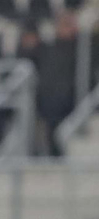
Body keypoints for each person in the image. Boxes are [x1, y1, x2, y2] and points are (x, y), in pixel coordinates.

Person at [35, 11, 89, 158]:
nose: (68, 29)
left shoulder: (82, 47)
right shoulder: (48, 48)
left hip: (73, 100)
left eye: (70, 25)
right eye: (65, 25)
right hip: (50, 101)